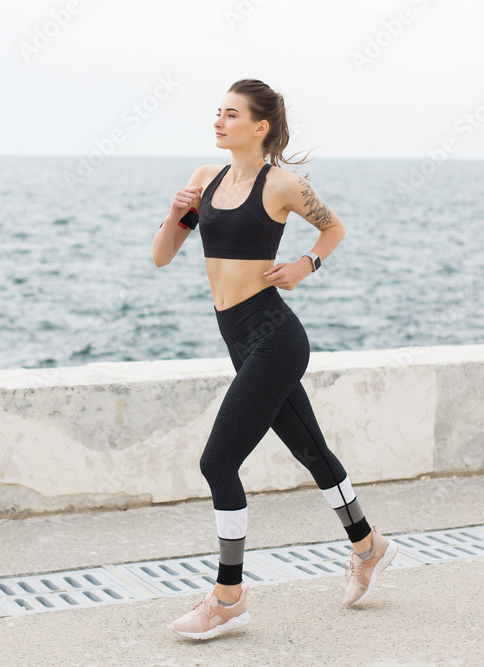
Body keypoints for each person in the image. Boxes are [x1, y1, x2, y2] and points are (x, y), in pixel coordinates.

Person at [151, 79, 398, 640]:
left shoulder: (283, 185)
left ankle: (228, 597)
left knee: (218, 463)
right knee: (311, 448)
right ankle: (369, 546)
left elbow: (333, 227)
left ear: (259, 127)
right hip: (236, 336)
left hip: (275, 335)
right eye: (217, 112)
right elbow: (163, 256)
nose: (218, 121)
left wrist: (306, 265)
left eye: (230, 114)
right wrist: (174, 214)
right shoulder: (203, 180)